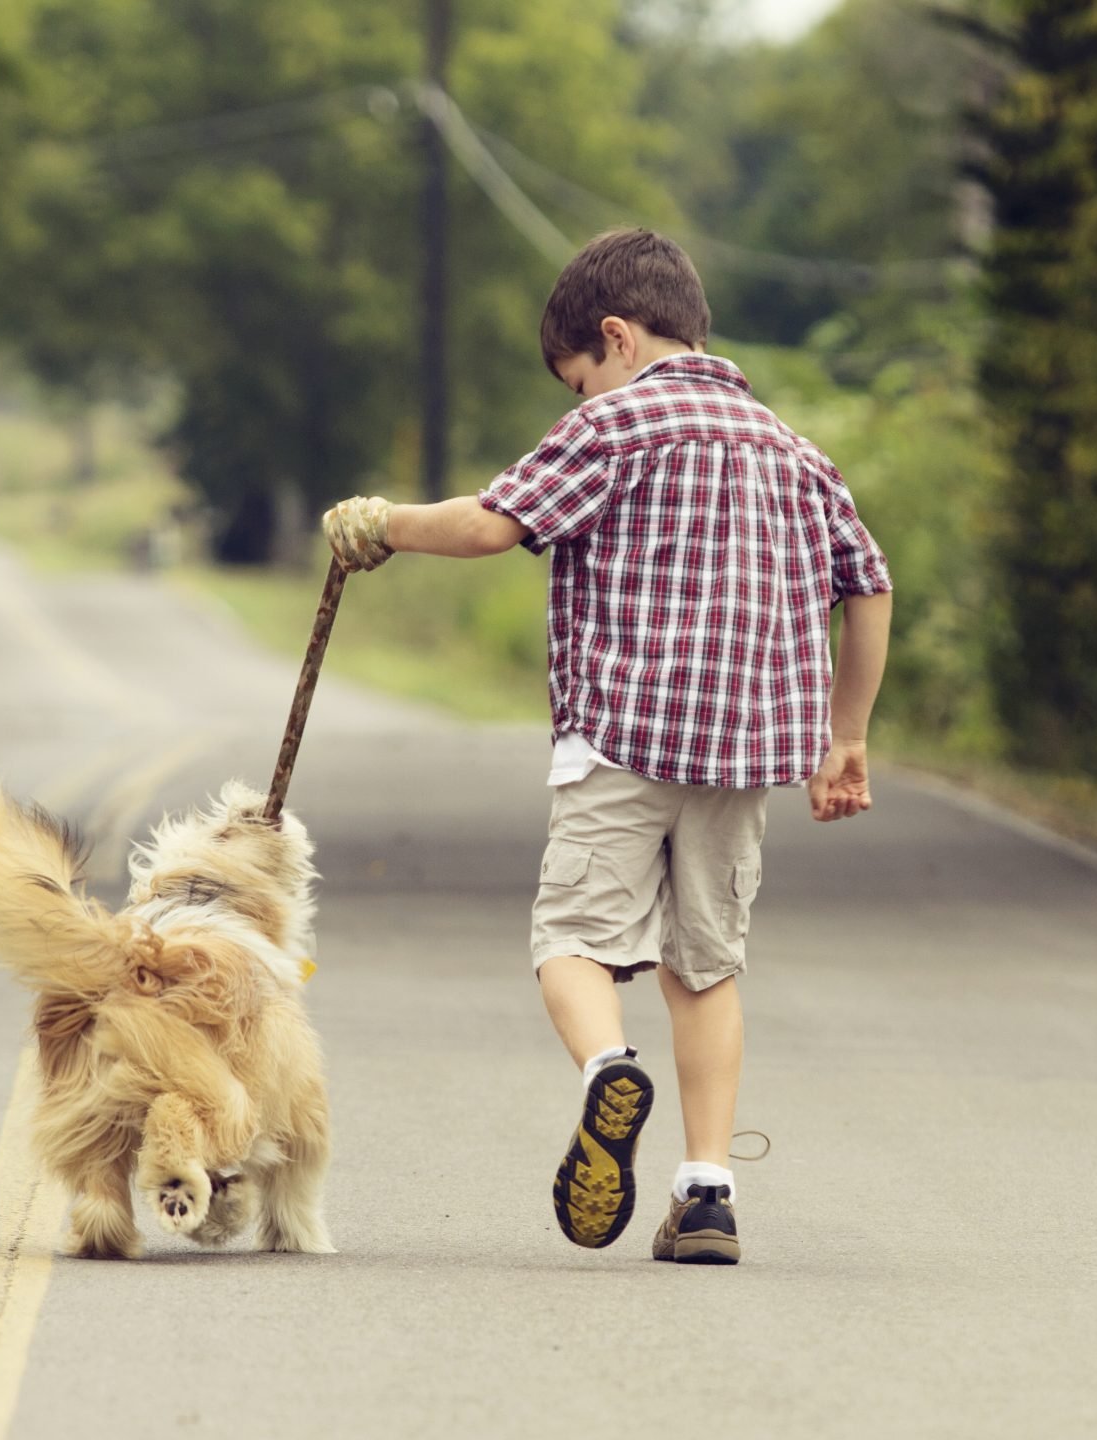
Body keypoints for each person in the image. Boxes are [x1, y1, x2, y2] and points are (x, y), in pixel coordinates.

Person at [320, 228, 892, 1265]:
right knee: (707, 968)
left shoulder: (616, 427)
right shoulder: (794, 450)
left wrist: (386, 524)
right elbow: (870, 584)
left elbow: (494, 524)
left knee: (571, 942)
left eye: (578, 378)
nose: (580, 398)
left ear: (617, 340)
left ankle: (604, 1073)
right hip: (744, 761)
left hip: (620, 740)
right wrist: (845, 736)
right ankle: (708, 1190)